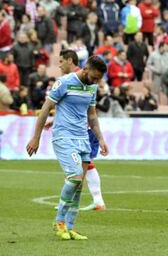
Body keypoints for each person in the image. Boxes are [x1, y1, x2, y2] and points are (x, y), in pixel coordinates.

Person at [26, 56, 108, 240]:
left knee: (79, 185)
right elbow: (46, 109)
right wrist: (36, 137)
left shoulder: (92, 87)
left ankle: (70, 227)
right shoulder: (64, 82)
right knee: (74, 178)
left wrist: (101, 138)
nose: (95, 82)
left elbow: (92, 115)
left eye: (98, 79)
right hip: (63, 136)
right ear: (86, 68)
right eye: (94, 77)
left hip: (83, 138)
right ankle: (59, 221)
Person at [56, 50, 107, 212]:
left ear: (70, 61)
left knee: (83, 168)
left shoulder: (84, 78)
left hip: (83, 131)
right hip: (74, 130)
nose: (59, 65)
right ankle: (74, 205)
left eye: (61, 61)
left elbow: (88, 111)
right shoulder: (71, 80)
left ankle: (95, 200)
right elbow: (71, 106)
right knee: (76, 171)